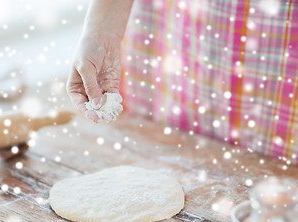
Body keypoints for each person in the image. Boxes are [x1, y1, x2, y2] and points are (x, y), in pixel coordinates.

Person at [67, 0, 298, 165]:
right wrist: (100, 31)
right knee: (170, 155)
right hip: (177, 29)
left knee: (271, 179)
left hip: (279, 37)